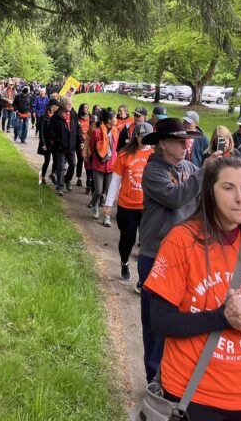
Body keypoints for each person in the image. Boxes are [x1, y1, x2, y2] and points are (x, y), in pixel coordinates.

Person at [144, 155, 241, 420]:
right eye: (228, 188)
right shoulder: (181, 241)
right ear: (209, 194)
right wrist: (221, 317)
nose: (240, 198)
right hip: (192, 394)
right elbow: (161, 322)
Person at [138, 117, 205, 383]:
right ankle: (155, 379)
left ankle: (177, 378)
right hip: (156, 257)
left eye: (186, 141)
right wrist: (202, 174)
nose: (185, 145)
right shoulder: (152, 171)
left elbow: (201, 200)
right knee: (156, 325)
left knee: (186, 319)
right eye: (179, 141)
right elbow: (175, 197)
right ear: (163, 144)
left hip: (189, 256)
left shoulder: (189, 166)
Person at [103, 121, 153, 280]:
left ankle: (142, 278)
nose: (145, 140)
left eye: (149, 137)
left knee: (145, 243)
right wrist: (109, 202)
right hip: (127, 206)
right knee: (128, 239)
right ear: (136, 136)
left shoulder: (154, 156)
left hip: (147, 207)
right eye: (143, 137)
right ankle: (124, 262)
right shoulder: (124, 155)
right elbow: (116, 180)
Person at [49, 96, 82, 197]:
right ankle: (59, 187)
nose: (70, 105)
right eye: (68, 104)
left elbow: (78, 129)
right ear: (62, 105)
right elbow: (51, 132)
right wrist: (59, 141)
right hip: (60, 147)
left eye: (70, 103)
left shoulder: (73, 114)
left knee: (73, 165)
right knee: (61, 167)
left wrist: (80, 141)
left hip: (71, 147)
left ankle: (67, 180)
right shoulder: (56, 116)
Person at [88, 109, 118, 220]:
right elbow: (92, 147)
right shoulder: (97, 132)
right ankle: (95, 204)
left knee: (109, 192)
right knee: (99, 191)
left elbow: (115, 148)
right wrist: (100, 157)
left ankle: (107, 216)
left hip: (111, 166)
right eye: (115, 118)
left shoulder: (115, 131)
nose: (116, 120)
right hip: (98, 165)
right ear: (109, 120)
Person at [37, 99, 59, 183]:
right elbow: (41, 131)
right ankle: (42, 177)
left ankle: (52, 174)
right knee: (47, 159)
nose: (57, 108)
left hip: (55, 143)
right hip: (46, 142)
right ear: (51, 107)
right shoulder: (44, 117)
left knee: (56, 159)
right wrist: (43, 143)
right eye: (55, 107)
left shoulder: (56, 117)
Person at [76, 103, 92, 187]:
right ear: (81, 109)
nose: (86, 109)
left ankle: (88, 179)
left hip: (89, 142)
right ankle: (79, 178)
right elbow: (77, 131)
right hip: (80, 142)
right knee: (80, 160)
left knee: (88, 161)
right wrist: (81, 142)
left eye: (87, 107)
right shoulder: (77, 118)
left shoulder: (91, 118)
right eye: (85, 107)